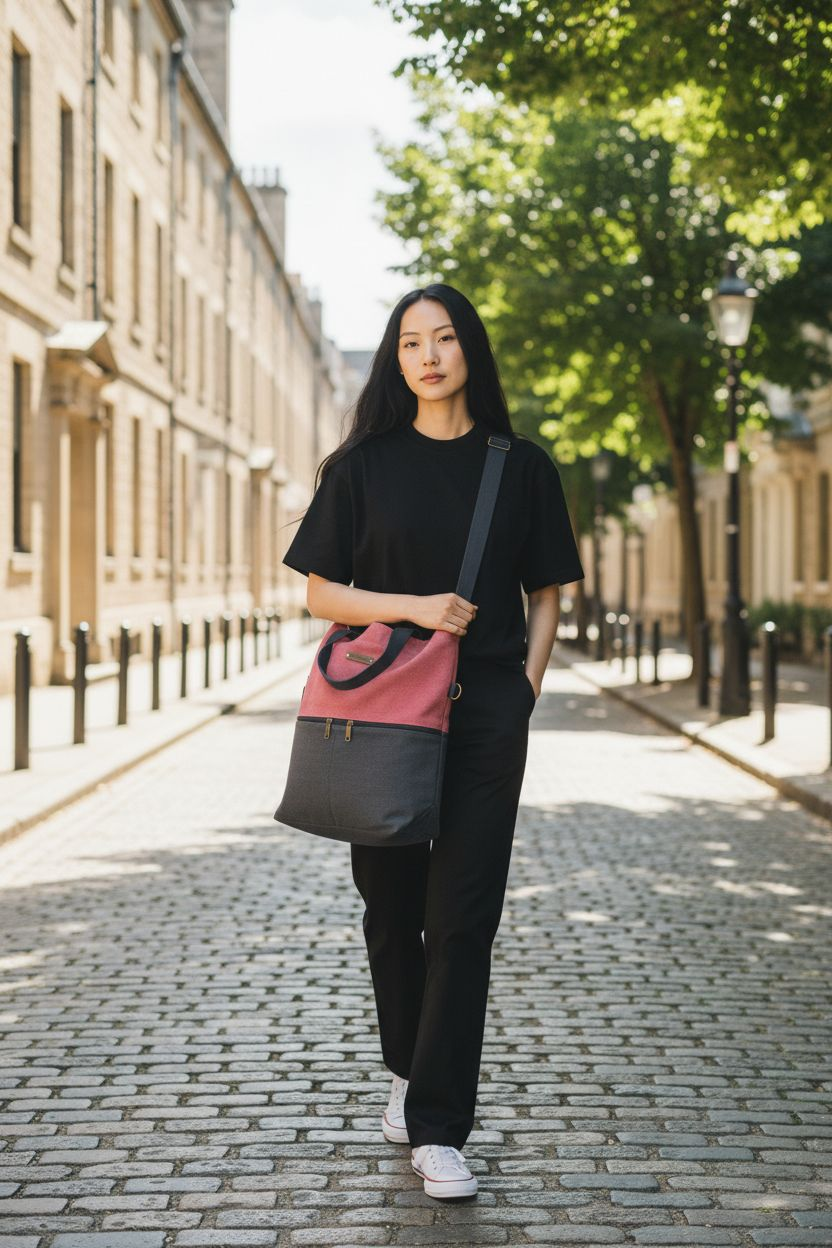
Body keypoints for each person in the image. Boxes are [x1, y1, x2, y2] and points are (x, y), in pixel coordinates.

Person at [280, 283, 584, 1200]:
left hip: (486, 713)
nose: (429, 355)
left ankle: (440, 1127)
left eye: (445, 338)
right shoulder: (363, 464)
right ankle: (411, 1073)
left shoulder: (519, 465)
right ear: (396, 359)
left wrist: (524, 689)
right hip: (380, 709)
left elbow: (549, 589)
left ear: (469, 353)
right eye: (411, 341)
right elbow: (320, 593)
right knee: (390, 911)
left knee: (463, 919)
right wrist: (414, 606)